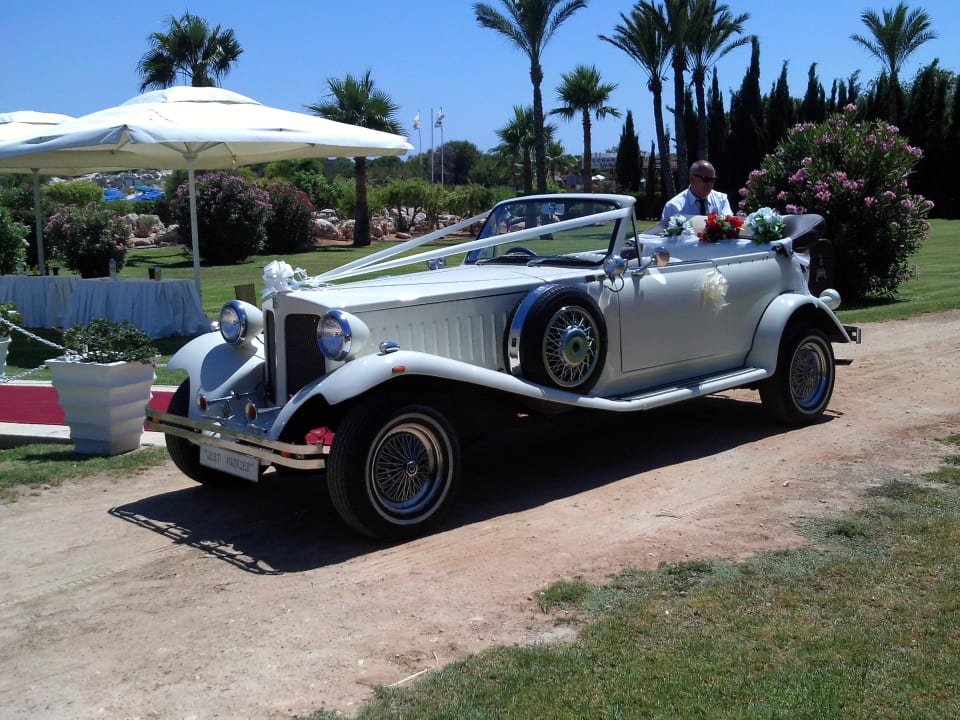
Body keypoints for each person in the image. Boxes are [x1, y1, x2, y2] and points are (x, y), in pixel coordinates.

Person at [661, 160, 732, 221]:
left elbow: (728, 225)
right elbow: (665, 234)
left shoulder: (721, 199)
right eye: (706, 179)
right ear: (692, 179)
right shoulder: (674, 206)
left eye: (713, 180)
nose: (710, 184)